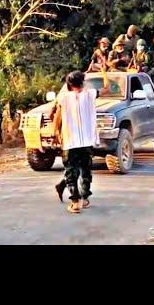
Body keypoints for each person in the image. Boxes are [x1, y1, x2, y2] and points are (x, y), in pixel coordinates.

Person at [52, 70, 110, 213]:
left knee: (71, 171)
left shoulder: (63, 98)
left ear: (68, 84)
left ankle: (75, 202)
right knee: (85, 169)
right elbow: (107, 88)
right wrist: (103, 71)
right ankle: (84, 198)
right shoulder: (90, 94)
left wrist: (55, 133)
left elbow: (57, 118)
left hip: (70, 141)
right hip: (87, 141)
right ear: (83, 82)